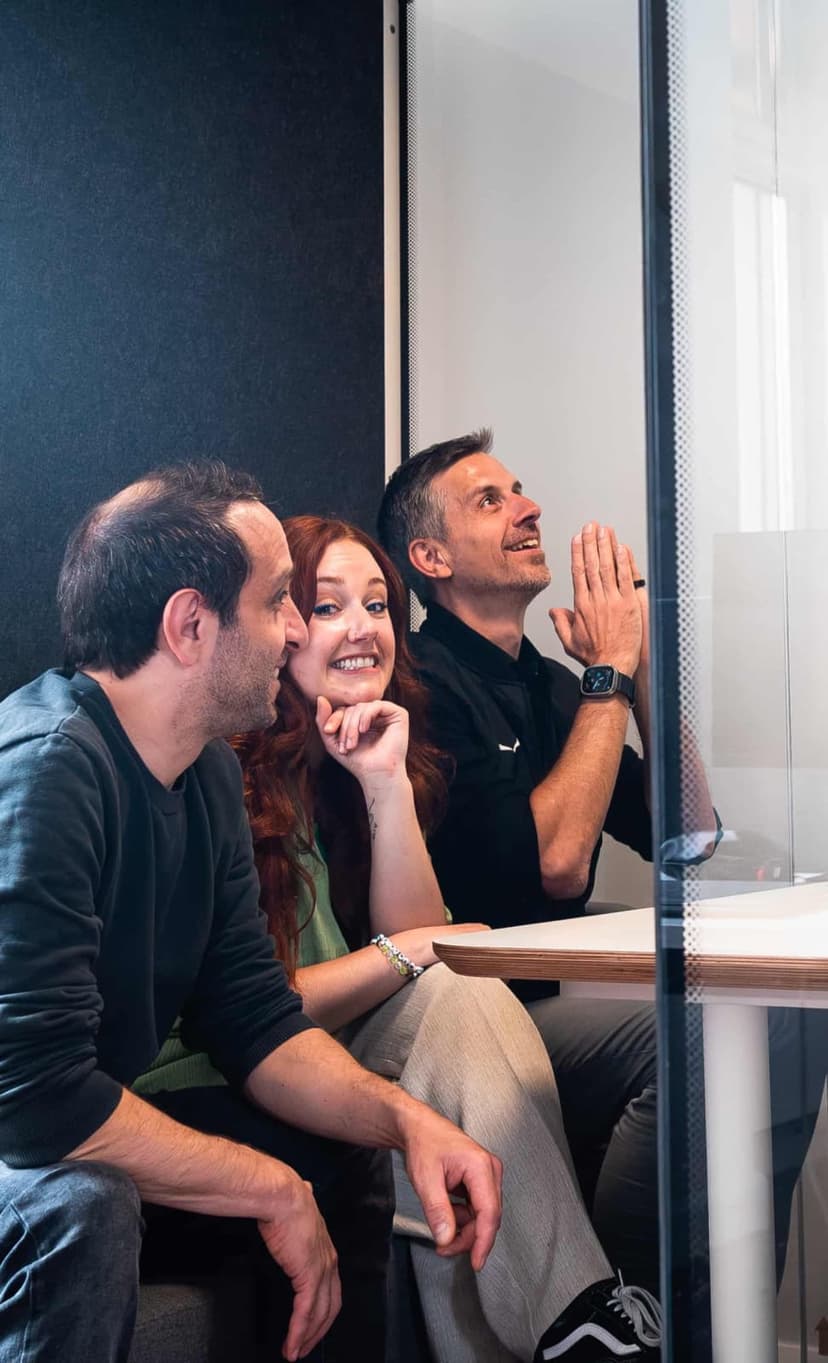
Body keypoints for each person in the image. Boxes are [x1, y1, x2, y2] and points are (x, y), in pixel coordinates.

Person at [0, 462, 504, 1363]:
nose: (298, 631)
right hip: (24, 1150)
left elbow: (254, 1021)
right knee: (85, 1205)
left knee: (335, 1153)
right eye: (280, 602)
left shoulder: (203, 774)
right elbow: (34, 1101)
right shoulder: (46, 770)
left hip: (57, 1133)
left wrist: (406, 1119)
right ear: (190, 625)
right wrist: (269, 1188)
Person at [143, 513, 662, 1363]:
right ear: (279, 629)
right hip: (246, 1063)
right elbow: (259, 1008)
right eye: (329, 604)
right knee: (452, 998)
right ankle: (584, 1318)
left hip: (341, 1042)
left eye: (379, 606)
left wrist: (384, 788)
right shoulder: (224, 768)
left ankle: (592, 1315)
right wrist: (399, 956)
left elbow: (424, 941)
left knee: (458, 997)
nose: (364, 628)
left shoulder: (368, 748)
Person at [377, 427, 825, 1293]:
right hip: (469, 1019)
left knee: (796, 1010)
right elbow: (556, 864)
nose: (530, 507)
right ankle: (630, 1311)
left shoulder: (554, 683)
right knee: (698, 1036)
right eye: (491, 499)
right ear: (430, 555)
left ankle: (725, 1311)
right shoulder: (420, 682)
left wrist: (643, 672)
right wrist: (609, 672)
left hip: (544, 1004)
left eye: (520, 489)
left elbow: (690, 839)